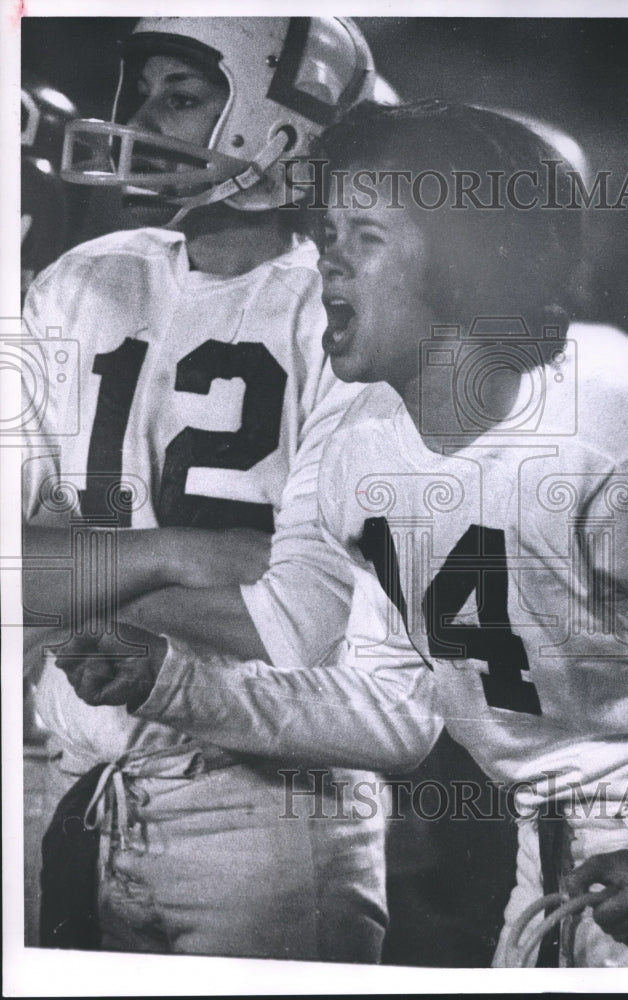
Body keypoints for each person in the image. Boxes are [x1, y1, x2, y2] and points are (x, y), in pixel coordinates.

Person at [55, 101, 628, 968]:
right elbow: (392, 715)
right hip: (550, 856)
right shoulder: (362, 447)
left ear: (473, 263)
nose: (327, 264)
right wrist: (168, 679)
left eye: (367, 236)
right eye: (325, 234)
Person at [22, 18, 434, 962]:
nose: (141, 121)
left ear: (277, 124)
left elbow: (299, 620)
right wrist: (172, 554)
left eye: (182, 96)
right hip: (90, 784)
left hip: (268, 807)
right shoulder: (89, 278)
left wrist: (70, 575)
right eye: (146, 94)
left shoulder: (353, 309)